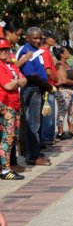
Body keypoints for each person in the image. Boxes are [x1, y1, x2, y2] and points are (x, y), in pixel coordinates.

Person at [15, 28, 52, 166]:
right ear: (27, 38)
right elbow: (31, 75)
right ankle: (32, 156)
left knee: (37, 122)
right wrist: (47, 85)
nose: (38, 40)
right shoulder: (26, 52)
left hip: (39, 89)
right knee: (32, 124)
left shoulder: (38, 51)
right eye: (35, 38)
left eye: (39, 38)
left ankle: (34, 151)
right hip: (31, 89)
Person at [0, 39, 26, 180]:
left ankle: (4, 167)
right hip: (5, 104)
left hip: (14, 104)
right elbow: (8, 86)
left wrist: (14, 81)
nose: (3, 52)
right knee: (7, 138)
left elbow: (24, 80)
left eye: (5, 49)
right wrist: (17, 81)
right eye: (0, 50)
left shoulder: (10, 65)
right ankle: (5, 170)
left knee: (11, 137)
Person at [53, 46, 73, 140]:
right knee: (62, 111)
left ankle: (72, 130)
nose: (68, 53)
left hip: (71, 90)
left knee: (72, 110)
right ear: (62, 55)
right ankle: (60, 132)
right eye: (66, 52)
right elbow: (63, 80)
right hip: (63, 91)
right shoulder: (60, 65)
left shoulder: (66, 64)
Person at [39, 30, 59, 146]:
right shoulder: (44, 52)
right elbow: (48, 70)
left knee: (48, 112)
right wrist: (56, 80)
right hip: (48, 86)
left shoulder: (44, 51)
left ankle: (47, 136)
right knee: (48, 113)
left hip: (48, 85)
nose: (54, 40)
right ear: (47, 39)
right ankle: (46, 137)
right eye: (53, 38)